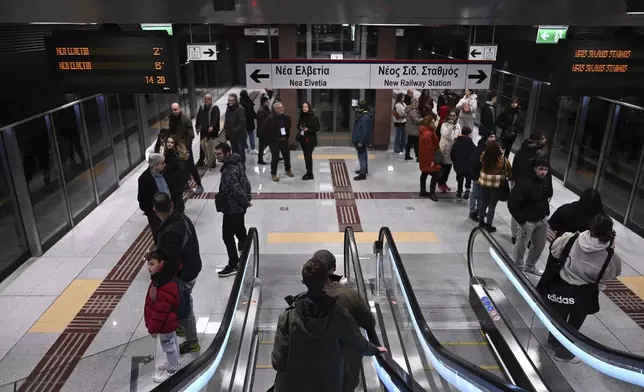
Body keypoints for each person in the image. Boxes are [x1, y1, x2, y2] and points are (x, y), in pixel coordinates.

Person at [271, 258, 387, 392]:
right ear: (327, 281)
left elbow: (278, 361)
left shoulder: (287, 317)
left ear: (303, 281)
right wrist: (375, 349)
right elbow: (358, 343)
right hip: (328, 385)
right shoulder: (340, 316)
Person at [543, 214, 621, 362]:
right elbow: (611, 274)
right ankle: (563, 353)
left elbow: (554, 249)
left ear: (591, 228)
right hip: (585, 294)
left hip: (562, 286)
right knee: (574, 325)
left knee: (558, 317)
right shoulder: (610, 256)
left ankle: (552, 342)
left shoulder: (571, 238)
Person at [315, 249, 378, 392]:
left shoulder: (302, 299)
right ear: (334, 268)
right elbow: (369, 323)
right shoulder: (350, 295)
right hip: (345, 366)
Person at [153, 193, 202, 355]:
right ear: (172, 205)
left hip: (184, 274)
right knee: (180, 303)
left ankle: (192, 342)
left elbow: (171, 263)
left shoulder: (170, 232)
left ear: (155, 210)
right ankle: (181, 327)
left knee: (186, 307)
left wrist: (157, 280)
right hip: (193, 267)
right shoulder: (182, 218)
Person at [508, 159, 553, 275]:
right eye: (541, 169)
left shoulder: (545, 180)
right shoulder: (524, 183)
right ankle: (518, 268)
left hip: (542, 219)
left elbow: (546, 196)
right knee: (521, 246)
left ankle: (530, 266)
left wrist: (546, 212)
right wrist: (522, 220)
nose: (543, 172)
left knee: (539, 245)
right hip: (528, 221)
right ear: (534, 168)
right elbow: (512, 204)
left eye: (545, 170)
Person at [215, 143, 252, 277]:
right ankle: (245, 250)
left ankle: (233, 263)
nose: (217, 156)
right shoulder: (237, 162)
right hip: (239, 207)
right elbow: (246, 181)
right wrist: (248, 197)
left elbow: (235, 189)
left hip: (232, 207)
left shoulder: (229, 169)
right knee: (240, 229)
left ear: (227, 153)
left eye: (219, 154)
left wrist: (245, 201)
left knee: (227, 236)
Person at [144, 251, 181, 383]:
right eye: (148, 264)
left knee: (168, 346)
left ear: (161, 264)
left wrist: (153, 329)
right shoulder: (160, 278)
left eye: (152, 264)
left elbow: (160, 312)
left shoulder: (163, 284)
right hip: (168, 322)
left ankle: (172, 369)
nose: (149, 267)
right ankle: (174, 363)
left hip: (165, 324)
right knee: (172, 341)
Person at [510, 130, 549, 242]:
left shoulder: (521, 150)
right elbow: (545, 174)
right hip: (531, 185)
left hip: (518, 183)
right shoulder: (540, 155)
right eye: (543, 138)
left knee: (517, 209)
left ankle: (514, 234)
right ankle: (528, 236)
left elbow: (515, 167)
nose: (545, 140)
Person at [137, 153, 184, 241]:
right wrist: (151, 212)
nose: (165, 165)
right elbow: (142, 199)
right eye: (162, 163)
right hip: (156, 215)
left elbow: (174, 188)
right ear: (154, 166)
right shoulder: (144, 179)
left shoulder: (166, 172)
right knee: (160, 237)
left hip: (171, 209)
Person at [169, 103, 203, 194]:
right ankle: (185, 184)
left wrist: (186, 148)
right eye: (172, 110)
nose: (174, 111)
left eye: (175, 109)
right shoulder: (172, 119)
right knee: (181, 167)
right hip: (176, 147)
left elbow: (190, 134)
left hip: (185, 148)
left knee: (190, 166)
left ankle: (199, 184)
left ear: (179, 109)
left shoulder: (186, 120)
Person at [478, 140, 511, 232]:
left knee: (483, 203)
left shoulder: (484, 156)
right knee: (492, 206)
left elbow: (481, 161)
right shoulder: (504, 160)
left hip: (484, 183)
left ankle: (481, 222)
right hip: (496, 186)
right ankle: (489, 225)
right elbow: (509, 173)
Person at [469, 134, 496, 222]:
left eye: (494, 137)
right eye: (491, 136)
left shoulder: (491, 149)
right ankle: (472, 212)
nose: (493, 138)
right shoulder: (480, 150)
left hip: (485, 177)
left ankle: (479, 210)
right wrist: (475, 176)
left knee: (482, 196)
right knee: (475, 195)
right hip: (478, 176)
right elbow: (475, 164)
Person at [265, 101, 293, 182]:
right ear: (275, 109)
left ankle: (288, 170)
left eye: (282, 107)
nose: (282, 109)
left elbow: (289, 127)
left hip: (284, 140)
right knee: (275, 158)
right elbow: (265, 130)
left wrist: (286, 138)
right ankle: (273, 174)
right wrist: (269, 142)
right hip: (274, 142)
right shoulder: (270, 118)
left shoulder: (287, 118)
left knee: (287, 156)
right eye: (279, 108)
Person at [418, 115, 442, 202]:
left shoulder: (424, 131)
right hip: (428, 159)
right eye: (432, 122)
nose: (433, 124)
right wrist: (432, 161)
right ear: (427, 123)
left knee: (424, 173)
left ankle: (423, 190)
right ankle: (432, 193)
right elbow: (429, 149)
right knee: (435, 174)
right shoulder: (428, 134)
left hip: (424, 158)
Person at [438, 109, 461, 192]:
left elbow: (458, 135)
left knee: (448, 168)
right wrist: (451, 126)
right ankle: (440, 183)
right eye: (451, 115)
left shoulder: (458, 125)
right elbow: (446, 135)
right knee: (443, 168)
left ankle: (444, 183)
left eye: (454, 115)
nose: (452, 117)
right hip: (445, 149)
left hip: (452, 149)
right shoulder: (444, 125)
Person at [195, 94, 220, 169]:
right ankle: (201, 161)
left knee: (212, 146)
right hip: (204, 130)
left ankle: (212, 161)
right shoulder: (202, 107)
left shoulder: (215, 107)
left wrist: (212, 126)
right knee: (202, 146)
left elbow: (216, 118)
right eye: (205, 99)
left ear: (211, 100)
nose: (207, 100)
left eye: (209, 99)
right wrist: (197, 126)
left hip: (212, 131)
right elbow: (198, 117)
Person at [450, 126, 475, 201]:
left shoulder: (457, 142)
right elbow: (475, 152)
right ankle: (467, 190)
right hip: (468, 165)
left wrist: (454, 161)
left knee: (459, 179)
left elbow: (452, 153)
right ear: (469, 134)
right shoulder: (470, 142)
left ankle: (459, 192)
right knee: (468, 178)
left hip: (459, 164)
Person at [297, 102, 320, 180]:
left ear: (309, 107)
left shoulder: (313, 117)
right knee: (306, 156)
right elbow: (298, 125)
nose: (304, 108)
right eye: (303, 106)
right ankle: (308, 171)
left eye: (306, 106)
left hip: (310, 140)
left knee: (308, 156)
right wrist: (300, 127)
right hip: (303, 139)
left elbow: (317, 128)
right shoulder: (301, 116)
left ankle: (310, 174)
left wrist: (308, 130)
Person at [223, 93, 247, 165]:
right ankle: (236, 164)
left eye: (232, 100)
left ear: (236, 101)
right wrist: (226, 128)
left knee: (240, 151)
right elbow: (227, 118)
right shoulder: (228, 107)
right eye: (229, 100)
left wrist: (234, 130)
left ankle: (242, 165)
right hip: (232, 135)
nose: (230, 102)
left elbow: (242, 122)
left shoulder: (240, 109)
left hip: (239, 136)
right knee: (234, 151)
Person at [352, 101, 373, 181]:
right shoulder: (366, 116)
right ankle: (364, 170)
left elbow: (364, 130)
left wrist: (361, 141)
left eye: (359, 107)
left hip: (361, 141)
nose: (358, 109)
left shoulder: (364, 117)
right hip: (362, 140)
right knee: (363, 155)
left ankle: (363, 173)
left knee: (362, 156)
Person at [239, 90, 258, 154]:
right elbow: (252, 112)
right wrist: (257, 117)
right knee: (251, 135)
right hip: (250, 121)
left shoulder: (240, 104)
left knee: (243, 136)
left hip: (242, 122)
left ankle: (246, 148)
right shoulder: (249, 102)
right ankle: (253, 148)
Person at [256, 95, 271, 165]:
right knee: (262, 147)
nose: (269, 103)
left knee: (271, 144)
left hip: (265, 131)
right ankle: (260, 159)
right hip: (263, 132)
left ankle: (276, 156)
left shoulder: (265, 108)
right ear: (263, 102)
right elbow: (262, 124)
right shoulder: (262, 111)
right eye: (267, 101)